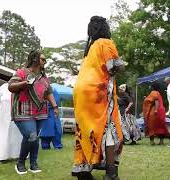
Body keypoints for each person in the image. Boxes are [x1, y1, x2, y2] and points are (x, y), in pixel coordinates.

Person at [72, 16, 125, 180]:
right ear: (105, 28)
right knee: (110, 130)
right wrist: (122, 64)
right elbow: (114, 67)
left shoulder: (90, 48)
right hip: (98, 93)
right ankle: (110, 173)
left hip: (81, 92)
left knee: (85, 129)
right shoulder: (106, 43)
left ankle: (82, 171)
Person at [8, 50, 58, 175]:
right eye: (43, 59)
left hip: (40, 111)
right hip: (23, 110)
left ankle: (33, 164)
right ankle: (20, 163)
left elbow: (49, 92)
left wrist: (55, 106)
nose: (44, 62)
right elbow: (10, 86)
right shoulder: (22, 72)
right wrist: (24, 83)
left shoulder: (44, 77)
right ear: (35, 59)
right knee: (31, 136)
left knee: (34, 138)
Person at [0, 83, 22, 164]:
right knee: (2, 135)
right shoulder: (4, 87)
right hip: (3, 117)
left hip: (18, 116)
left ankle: (18, 155)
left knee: (17, 136)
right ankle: (1, 157)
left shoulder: (24, 87)